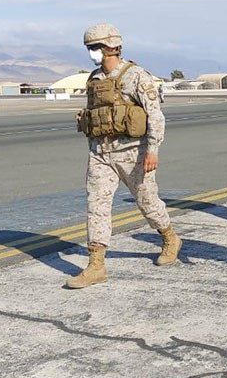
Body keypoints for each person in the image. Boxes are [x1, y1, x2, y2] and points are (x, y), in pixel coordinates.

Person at [70, 23, 180, 289]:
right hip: (100, 152)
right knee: (96, 205)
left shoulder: (136, 76)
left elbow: (156, 116)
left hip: (133, 152)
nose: (92, 52)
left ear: (112, 46)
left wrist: (152, 150)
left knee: (147, 202)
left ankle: (169, 237)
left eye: (95, 47)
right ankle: (96, 264)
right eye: (89, 48)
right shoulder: (94, 79)